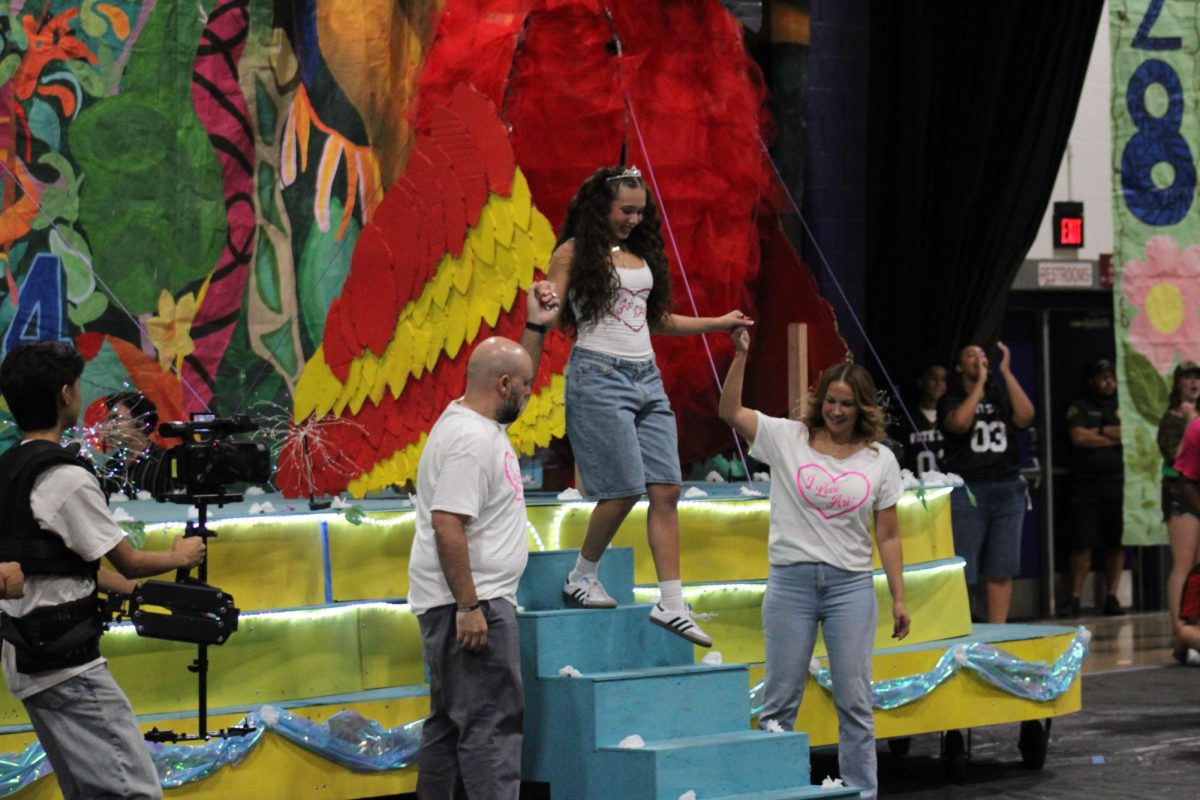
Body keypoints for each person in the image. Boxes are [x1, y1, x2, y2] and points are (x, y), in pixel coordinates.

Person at [547, 165, 751, 647]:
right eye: (626, 210)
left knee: (667, 489)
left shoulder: (641, 255)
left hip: (646, 377)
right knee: (622, 488)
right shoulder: (575, 251)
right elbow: (553, 304)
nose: (634, 219)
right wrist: (541, 303)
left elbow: (655, 320)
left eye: (640, 211)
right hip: (599, 374)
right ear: (603, 207)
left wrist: (718, 322)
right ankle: (581, 576)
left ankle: (672, 602)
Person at [0, 341, 206, 800]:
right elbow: (125, 558)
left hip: (25, 657)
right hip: (66, 663)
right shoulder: (66, 477)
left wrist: (136, 591)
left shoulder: (9, 468)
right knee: (135, 792)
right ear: (65, 394)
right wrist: (181, 556)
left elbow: (60, 564)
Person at [719, 328, 908, 800]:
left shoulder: (880, 460)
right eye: (830, 401)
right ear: (819, 400)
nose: (836, 411)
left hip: (851, 588)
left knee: (855, 700)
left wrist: (900, 598)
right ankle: (772, 787)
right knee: (779, 701)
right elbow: (729, 411)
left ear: (861, 407)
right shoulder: (788, 437)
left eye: (846, 404)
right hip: (791, 584)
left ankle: (862, 792)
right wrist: (740, 356)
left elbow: (887, 532)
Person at [407, 282, 559, 799]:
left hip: (463, 602)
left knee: (452, 726)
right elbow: (447, 523)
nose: (528, 393)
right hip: (474, 606)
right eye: (523, 386)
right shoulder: (472, 441)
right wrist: (470, 606)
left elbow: (516, 369)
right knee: (492, 728)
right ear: (502, 386)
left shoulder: (472, 422)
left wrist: (535, 326)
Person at [938, 342, 1035, 624]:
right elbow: (959, 424)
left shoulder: (999, 394)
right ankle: (961, 625)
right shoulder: (952, 397)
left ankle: (997, 630)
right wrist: (979, 382)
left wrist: (1005, 372)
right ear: (959, 366)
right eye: (970, 355)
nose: (978, 359)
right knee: (964, 567)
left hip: (1007, 487)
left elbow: (1026, 415)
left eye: (982, 355)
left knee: (1001, 567)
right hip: (969, 490)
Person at [1061, 359, 1124, 618]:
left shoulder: (1123, 405)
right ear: (1092, 382)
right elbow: (1078, 437)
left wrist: (1096, 431)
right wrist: (1108, 434)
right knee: (1082, 543)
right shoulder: (1080, 406)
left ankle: (1112, 596)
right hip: (1086, 484)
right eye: (1103, 377)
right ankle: (1075, 598)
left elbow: (1130, 434)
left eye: (1111, 377)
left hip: (1118, 483)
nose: (1108, 382)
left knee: (1116, 543)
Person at [1156, 361, 1200, 657]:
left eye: (1197, 377)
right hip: (1181, 491)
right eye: (1188, 378)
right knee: (1183, 563)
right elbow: (1174, 456)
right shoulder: (1173, 418)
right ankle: (1180, 632)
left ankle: (1193, 627)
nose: (1194, 382)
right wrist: (1188, 421)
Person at [97, 392, 174, 499]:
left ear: (141, 423)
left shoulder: (165, 461)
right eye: (109, 420)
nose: (110, 426)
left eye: (117, 418)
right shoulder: (111, 466)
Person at [896, 361, 947, 476]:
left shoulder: (953, 417)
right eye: (933, 378)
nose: (938, 383)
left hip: (950, 486)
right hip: (917, 486)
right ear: (921, 381)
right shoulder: (907, 419)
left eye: (943, 380)